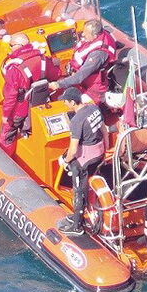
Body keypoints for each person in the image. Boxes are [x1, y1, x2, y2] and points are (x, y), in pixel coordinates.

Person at [0, 33, 60, 154]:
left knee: (7, 132)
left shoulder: (14, 68)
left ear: (18, 46)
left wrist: (6, 115)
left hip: (21, 109)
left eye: (11, 45)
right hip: (42, 102)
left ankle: (6, 156)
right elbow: (56, 74)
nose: (10, 48)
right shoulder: (43, 59)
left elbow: (10, 97)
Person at [57, 88, 106, 236]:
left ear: (73, 102)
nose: (64, 103)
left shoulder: (76, 121)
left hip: (85, 159)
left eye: (66, 101)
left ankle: (77, 226)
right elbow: (104, 129)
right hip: (99, 152)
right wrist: (106, 147)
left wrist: (64, 161)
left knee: (79, 190)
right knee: (83, 186)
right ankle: (78, 216)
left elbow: (72, 150)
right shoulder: (93, 108)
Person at [48, 19, 117, 105]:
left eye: (86, 33)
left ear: (95, 36)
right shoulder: (99, 37)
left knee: (69, 102)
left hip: (93, 88)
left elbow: (80, 76)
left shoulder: (98, 55)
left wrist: (59, 84)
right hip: (83, 80)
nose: (83, 34)